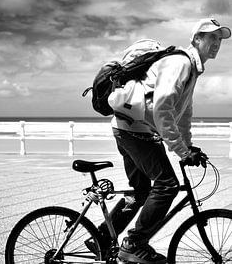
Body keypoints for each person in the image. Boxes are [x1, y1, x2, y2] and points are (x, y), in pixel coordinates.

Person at [93, 18, 231, 264]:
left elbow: (184, 115)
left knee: (142, 191)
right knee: (167, 185)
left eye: (220, 39)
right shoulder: (180, 63)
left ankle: (101, 238)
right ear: (196, 39)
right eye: (211, 37)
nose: (216, 43)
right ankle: (134, 243)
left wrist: (187, 146)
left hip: (129, 128)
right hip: (134, 130)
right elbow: (162, 109)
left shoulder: (191, 69)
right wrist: (180, 150)